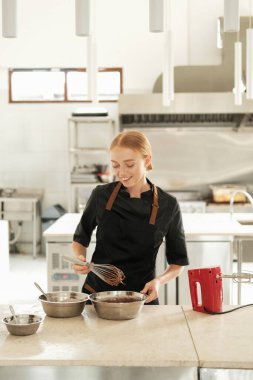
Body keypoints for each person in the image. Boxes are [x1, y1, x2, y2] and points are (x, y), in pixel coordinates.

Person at [72, 130, 189, 304]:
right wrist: (79, 258)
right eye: (115, 165)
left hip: (142, 298)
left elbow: (177, 264)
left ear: (147, 160)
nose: (121, 172)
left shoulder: (168, 205)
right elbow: (80, 239)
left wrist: (158, 281)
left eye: (129, 164)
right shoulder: (101, 195)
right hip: (97, 296)